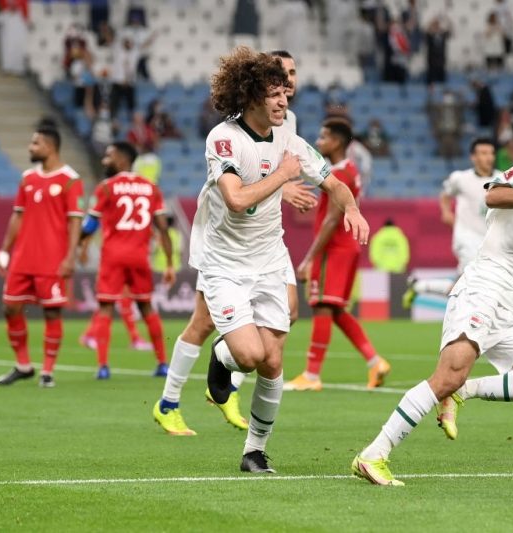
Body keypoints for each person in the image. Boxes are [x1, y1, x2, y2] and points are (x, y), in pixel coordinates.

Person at [352, 100, 513, 486]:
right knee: (447, 374)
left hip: (512, 304)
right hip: (483, 287)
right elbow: (493, 196)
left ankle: (465, 391)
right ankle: (374, 454)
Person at [200, 46, 369, 473]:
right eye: (274, 94)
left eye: (285, 93)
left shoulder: (290, 142)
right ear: (250, 95)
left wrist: (351, 208)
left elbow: (334, 183)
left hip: (270, 260)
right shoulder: (224, 139)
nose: (283, 100)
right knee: (248, 356)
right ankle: (222, 356)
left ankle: (254, 452)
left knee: (272, 360)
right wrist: (283, 175)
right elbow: (236, 200)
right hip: (225, 265)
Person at [152, 49, 317, 438]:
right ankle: (169, 403)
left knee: (289, 313)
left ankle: (231, 381)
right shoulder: (235, 128)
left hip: (266, 241)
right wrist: (282, 184)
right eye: (283, 75)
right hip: (225, 241)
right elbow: (241, 182)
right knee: (204, 322)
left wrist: (287, 185)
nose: (290, 81)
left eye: (293, 74)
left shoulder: (287, 121)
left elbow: (281, 165)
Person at [285, 118, 389, 392]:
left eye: (324, 137)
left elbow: (332, 219)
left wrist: (309, 258)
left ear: (338, 141)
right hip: (346, 247)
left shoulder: (340, 174)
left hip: (335, 247)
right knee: (336, 309)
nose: (318, 142)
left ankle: (311, 375)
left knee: (321, 305)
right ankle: (375, 361)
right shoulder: (348, 170)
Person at [0, 127, 84, 388]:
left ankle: (47, 371)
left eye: (35, 143)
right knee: (10, 307)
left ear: (50, 147)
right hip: (22, 258)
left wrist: (70, 257)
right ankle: (23, 365)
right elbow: (17, 215)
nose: (30, 147)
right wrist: (4, 250)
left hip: (52, 260)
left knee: (52, 312)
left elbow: (75, 222)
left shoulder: (70, 180)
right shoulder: (27, 178)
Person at [79, 141, 176, 379]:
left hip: (113, 256)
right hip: (139, 257)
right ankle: (162, 364)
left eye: (108, 156)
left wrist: (76, 241)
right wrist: (169, 264)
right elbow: (163, 228)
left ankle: (103, 366)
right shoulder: (151, 188)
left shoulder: (107, 187)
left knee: (105, 307)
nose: (104, 161)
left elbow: (90, 224)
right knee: (146, 307)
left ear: (122, 159)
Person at [403, 138, 503, 307]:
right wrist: (446, 212)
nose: (488, 157)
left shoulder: (502, 179)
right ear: (473, 157)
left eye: (491, 153)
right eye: (483, 153)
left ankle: (419, 286)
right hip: (466, 238)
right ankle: (470, 319)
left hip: (488, 240)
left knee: (464, 285)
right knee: (476, 283)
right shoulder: (460, 179)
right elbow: (445, 195)